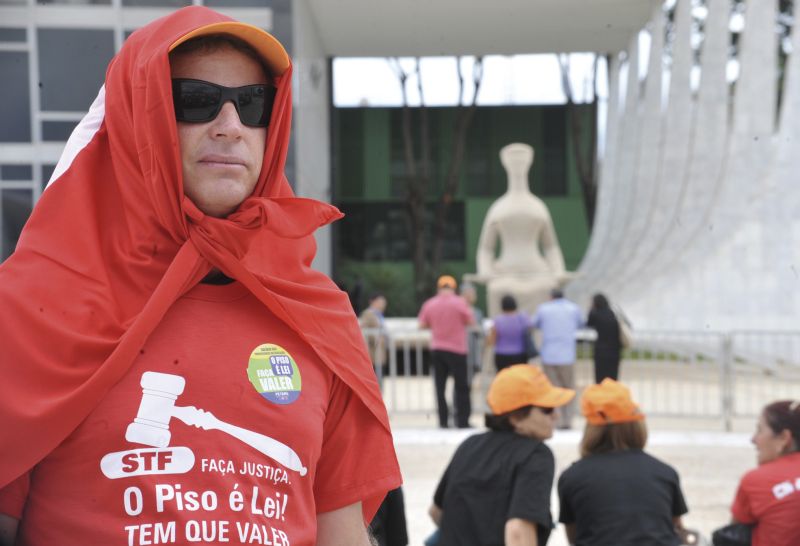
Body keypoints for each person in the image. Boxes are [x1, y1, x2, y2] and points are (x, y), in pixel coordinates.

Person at [0, 7, 401, 545]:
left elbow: (341, 532)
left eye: (254, 104)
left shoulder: (315, 316)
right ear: (139, 117)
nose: (231, 126)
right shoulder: (28, 309)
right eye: (195, 100)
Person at [429, 364, 575, 545]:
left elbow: (436, 512)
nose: (556, 415)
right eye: (547, 409)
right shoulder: (536, 455)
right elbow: (518, 532)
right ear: (515, 418)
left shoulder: (470, 445)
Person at [557, 379, 690, 546]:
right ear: (637, 425)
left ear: (590, 429)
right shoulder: (664, 472)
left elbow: (575, 538)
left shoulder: (572, 477)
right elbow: (676, 529)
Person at [728, 400, 800, 546]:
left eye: (760, 430)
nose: (753, 439)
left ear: (784, 438)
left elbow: (732, 535)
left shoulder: (756, 480)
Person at [418, 275, 476, 428]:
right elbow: (470, 321)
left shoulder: (430, 304)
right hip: (457, 349)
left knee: (440, 387)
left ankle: (443, 421)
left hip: (437, 348)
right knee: (462, 386)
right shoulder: (460, 303)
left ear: (439, 288)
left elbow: (422, 325)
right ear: (454, 288)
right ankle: (462, 421)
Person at [532, 288, 583, 429]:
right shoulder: (573, 308)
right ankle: (568, 419)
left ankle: (557, 419)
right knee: (569, 387)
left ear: (551, 297)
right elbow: (581, 323)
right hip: (567, 354)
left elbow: (534, 324)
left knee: (553, 388)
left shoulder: (543, 309)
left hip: (549, 354)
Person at [487, 294, 534, 372]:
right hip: (520, 355)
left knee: (504, 380)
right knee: (519, 380)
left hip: (501, 355)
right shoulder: (522, 317)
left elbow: (492, 341)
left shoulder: (498, 320)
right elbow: (530, 328)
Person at [586, 293, 622, 382]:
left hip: (601, 351)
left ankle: (602, 394)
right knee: (613, 376)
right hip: (615, 350)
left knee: (600, 377)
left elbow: (589, 324)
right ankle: (612, 394)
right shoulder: (612, 313)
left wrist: (590, 309)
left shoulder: (596, 314)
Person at [360, 292, 388, 382]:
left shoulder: (379, 314)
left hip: (379, 352)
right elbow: (363, 330)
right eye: (380, 302)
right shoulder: (368, 313)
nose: (383, 304)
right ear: (373, 302)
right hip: (373, 353)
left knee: (380, 379)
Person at [460, 282, 485, 381]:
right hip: (461, 350)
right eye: (470, 294)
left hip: (474, 350)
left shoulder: (477, 312)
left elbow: (481, 331)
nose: (473, 296)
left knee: (471, 379)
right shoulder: (458, 310)